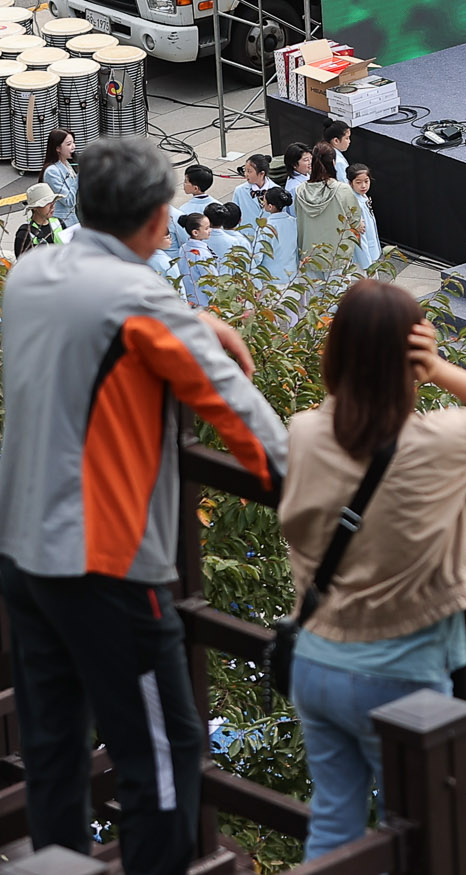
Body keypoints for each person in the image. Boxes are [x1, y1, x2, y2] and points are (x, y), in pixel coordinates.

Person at [0, 138, 286, 875]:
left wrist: (199, 330)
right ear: (160, 218)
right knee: (165, 749)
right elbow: (246, 420)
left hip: (24, 550)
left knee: (54, 742)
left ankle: (58, 862)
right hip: (109, 563)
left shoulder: (32, 273)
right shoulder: (141, 301)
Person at [270, 279, 466, 852]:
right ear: (409, 361)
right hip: (401, 676)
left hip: (314, 659)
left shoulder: (305, 432)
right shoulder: (437, 442)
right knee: (418, 836)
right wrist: (435, 368)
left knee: (333, 823)